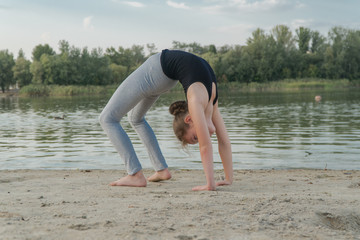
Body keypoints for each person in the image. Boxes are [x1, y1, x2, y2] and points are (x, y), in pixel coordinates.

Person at [99, 49, 233, 191]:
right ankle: (159, 170)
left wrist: (228, 179)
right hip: (158, 71)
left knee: (118, 118)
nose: (201, 137)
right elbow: (209, 146)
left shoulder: (207, 102)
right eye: (195, 137)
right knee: (114, 118)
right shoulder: (201, 102)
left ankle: (136, 174)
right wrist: (211, 184)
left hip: (163, 75)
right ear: (189, 119)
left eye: (196, 138)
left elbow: (221, 143)